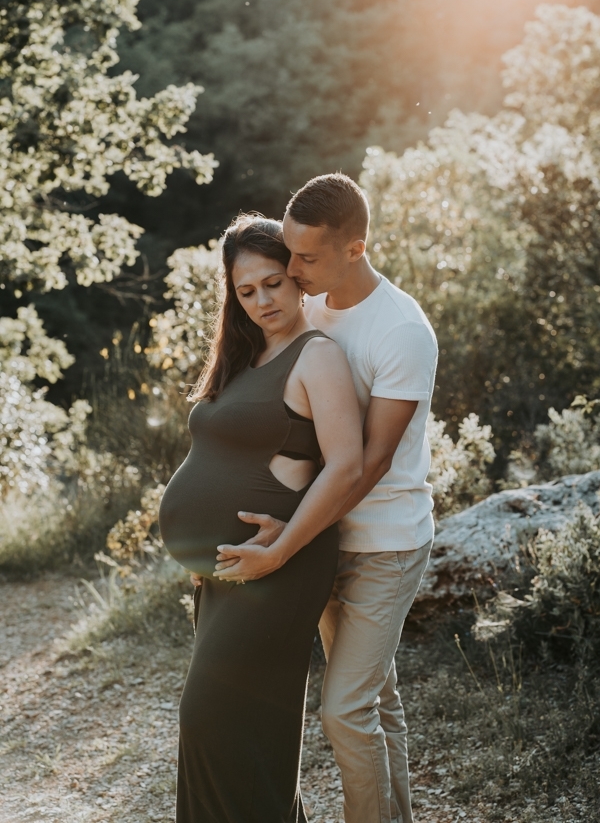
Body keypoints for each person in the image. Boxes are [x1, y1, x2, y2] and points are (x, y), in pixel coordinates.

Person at [214, 174, 438, 823]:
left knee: (345, 710)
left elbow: (363, 468)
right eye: (289, 252)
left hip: (385, 544)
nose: (292, 268)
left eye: (306, 258)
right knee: (376, 700)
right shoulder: (307, 305)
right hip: (325, 539)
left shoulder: (401, 331)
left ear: (355, 247)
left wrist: (286, 544)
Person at [159, 215, 363, 823]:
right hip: (232, 572)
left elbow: (346, 467)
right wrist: (201, 551)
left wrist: (279, 549)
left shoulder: (317, 356)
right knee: (244, 734)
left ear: (297, 277)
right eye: (246, 292)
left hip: (280, 567)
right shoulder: (245, 357)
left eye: (273, 283)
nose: (262, 301)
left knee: (214, 721)